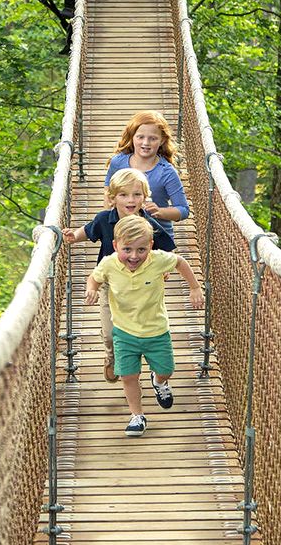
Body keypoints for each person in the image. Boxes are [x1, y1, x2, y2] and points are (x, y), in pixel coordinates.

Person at [85, 214, 203, 437]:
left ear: (151, 245)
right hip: (124, 332)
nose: (134, 256)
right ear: (115, 246)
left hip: (156, 330)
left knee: (166, 370)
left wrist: (194, 287)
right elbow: (94, 277)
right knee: (128, 376)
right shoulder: (109, 263)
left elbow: (180, 262)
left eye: (141, 250)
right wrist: (91, 289)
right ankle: (137, 416)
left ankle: (159, 382)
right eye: (127, 249)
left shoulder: (158, 260)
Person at [63, 168, 175, 382]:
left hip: (142, 285)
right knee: (109, 333)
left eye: (136, 194)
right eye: (123, 195)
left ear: (145, 197)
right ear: (113, 198)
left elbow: (166, 248)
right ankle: (112, 356)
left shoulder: (148, 224)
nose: (130, 200)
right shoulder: (105, 219)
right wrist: (74, 236)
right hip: (110, 283)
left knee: (141, 326)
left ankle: (139, 362)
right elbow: (88, 230)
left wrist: (164, 269)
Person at [106, 110, 189, 241]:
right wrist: (107, 225)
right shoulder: (118, 162)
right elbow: (108, 194)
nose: (146, 143)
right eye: (140, 137)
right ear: (132, 137)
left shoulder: (166, 172)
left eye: (153, 138)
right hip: (123, 235)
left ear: (162, 140)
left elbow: (183, 210)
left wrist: (159, 212)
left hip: (157, 237)